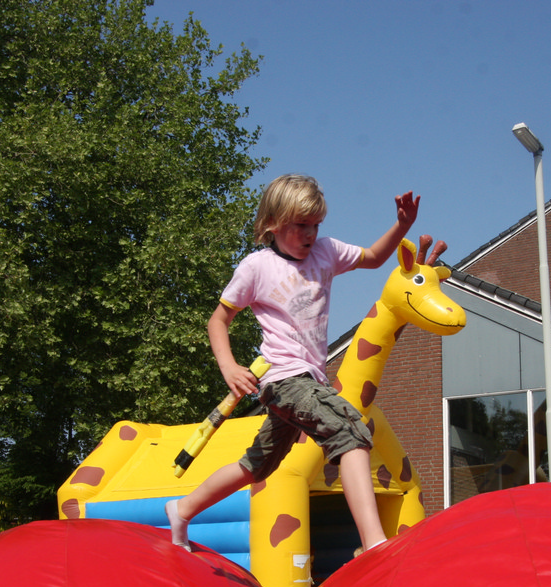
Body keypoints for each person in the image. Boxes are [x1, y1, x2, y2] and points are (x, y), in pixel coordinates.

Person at [164, 174, 420, 554]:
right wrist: (229, 367)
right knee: (349, 429)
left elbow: (373, 257)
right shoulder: (256, 267)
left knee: (257, 465)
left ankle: (182, 509)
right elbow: (218, 320)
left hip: (310, 379)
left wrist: (402, 225)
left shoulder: (326, 252)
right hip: (283, 379)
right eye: (301, 225)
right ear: (273, 223)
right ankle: (373, 542)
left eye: (316, 225)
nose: (310, 234)